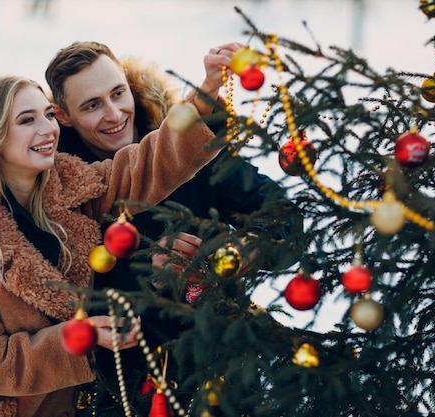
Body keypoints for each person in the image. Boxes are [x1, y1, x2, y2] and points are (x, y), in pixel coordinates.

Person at [0, 48, 227, 417]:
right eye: (27, 120)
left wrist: (205, 95)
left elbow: (145, 165)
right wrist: (79, 339)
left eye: (47, 115)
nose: (47, 129)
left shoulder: (69, 184)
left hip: (56, 405)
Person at [44, 41, 302, 415]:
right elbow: (59, 294)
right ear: (63, 116)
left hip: (216, 368)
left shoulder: (189, 145)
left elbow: (283, 214)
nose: (115, 114)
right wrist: (148, 273)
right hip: (115, 389)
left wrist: (242, 248)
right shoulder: (55, 184)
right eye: (92, 105)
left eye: (118, 94)